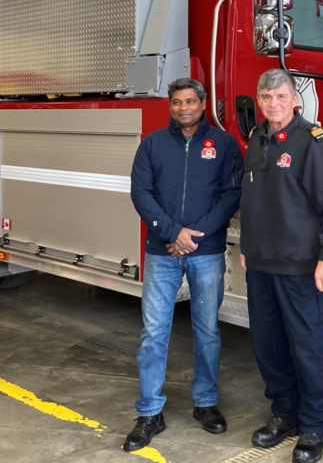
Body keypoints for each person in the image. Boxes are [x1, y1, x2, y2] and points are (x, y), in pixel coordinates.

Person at [239, 69, 323, 463]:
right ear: (259, 100)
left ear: (295, 100)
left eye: (280, 96)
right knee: (267, 345)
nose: (273, 103)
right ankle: (285, 414)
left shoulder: (314, 143)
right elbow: (253, 199)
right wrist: (246, 246)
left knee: (308, 346)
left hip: (300, 266)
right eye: (266, 96)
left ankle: (313, 425)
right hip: (260, 263)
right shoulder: (257, 138)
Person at [124, 78, 243, 452]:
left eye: (190, 101)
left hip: (206, 252)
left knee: (207, 331)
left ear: (203, 103)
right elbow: (140, 194)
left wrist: (195, 236)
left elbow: (231, 195)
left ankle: (205, 403)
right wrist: (173, 233)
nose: (184, 108)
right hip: (163, 253)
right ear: (170, 106)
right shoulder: (152, 145)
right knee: (153, 333)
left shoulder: (224, 145)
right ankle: (149, 412)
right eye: (177, 102)